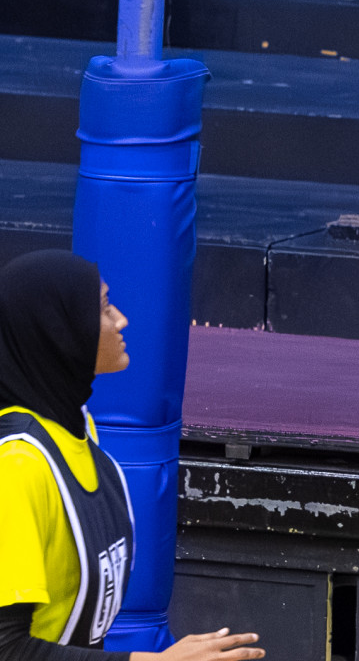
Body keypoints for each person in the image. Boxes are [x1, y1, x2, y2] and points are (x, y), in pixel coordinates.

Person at [0, 249, 264, 661]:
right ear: (58, 331)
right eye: (104, 308)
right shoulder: (18, 466)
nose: (121, 319)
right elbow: (7, 648)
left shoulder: (77, 426)